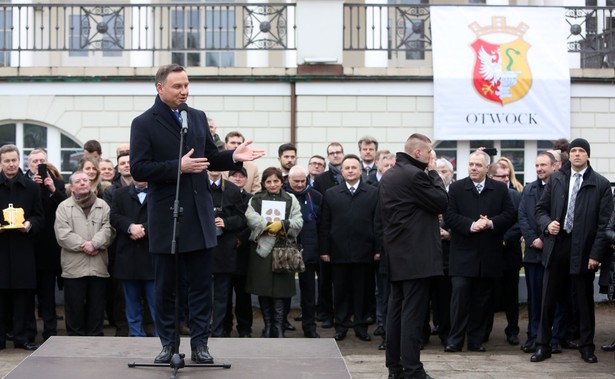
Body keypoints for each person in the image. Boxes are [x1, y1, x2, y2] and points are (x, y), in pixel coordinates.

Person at [129, 64, 264, 364]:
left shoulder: (198, 117)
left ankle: (201, 344)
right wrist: (178, 166)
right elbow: (139, 168)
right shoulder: (143, 123)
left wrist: (232, 157)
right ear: (159, 88)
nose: (184, 91)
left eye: (187, 85)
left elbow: (210, 158)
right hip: (167, 218)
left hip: (200, 217)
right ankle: (168, 344)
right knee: (166, 287)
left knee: (202, 286)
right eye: (177, 86)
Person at [532, 138, 613, 364]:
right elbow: (540, 209)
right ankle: (542, 346)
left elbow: (604, 225)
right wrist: (547, 224)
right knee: (548, 298)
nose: (577, 154)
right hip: (558, 244)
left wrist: (595, 254)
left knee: (584, 302)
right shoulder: (557, 178)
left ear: (588, 155)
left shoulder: (601, 184)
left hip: (584, 248)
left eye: (581, 151)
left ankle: (587, 347)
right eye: (574, 151)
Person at [379, 134, 448, 379]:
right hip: (417, 256)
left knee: (396, 311)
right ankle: (412, 369)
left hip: (397, 255)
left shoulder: (390, 175)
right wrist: (434, 173)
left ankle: (395, 368)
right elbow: (441, 202)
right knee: (412, 315)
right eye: (429, 152)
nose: (432, 157)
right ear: (418, 153)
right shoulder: (416, 175)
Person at [443, 150, 516, 353]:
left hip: (488, 255)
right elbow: (449, 215)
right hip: (462, 254)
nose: (473, 168)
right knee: (459, 299)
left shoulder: (500, 189)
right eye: (470, 164)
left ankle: (475, 340)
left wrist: (491, 223)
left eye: (478, 165)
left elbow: (510, 214)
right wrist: (471, 225)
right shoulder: (457, 188)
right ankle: (455, 340)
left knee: (482, 301)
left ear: (486, 168)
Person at [319, 154, 379, 343]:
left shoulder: (372, 193)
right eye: (347, 168)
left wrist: (378, 249)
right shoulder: (331, 193)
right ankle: (341, 326)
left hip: (365, 252)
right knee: (341, 292)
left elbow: (378, 223)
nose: (351, 171)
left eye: (354, 167)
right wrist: (325, 250)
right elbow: (325, 224)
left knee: (362, 292)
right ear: (341, 171)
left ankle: (361, 327)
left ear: (361, 170)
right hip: (338, 252)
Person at [54, 171, 115, 337]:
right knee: (74, 307)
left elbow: (109, 229)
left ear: (91, 183)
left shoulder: (103, 206)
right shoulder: (63, 207)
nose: (82, 183)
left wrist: (94, 244)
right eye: (78, 181)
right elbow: (62, 234)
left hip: (98, 265)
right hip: (74, 267)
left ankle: (95, 341)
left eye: (85, 180)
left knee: (96, 307)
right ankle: (75, 340)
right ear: (71, 187)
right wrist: (84, 245)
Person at [244, 167, 303, 338]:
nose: (272, 184)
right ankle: (268, 325)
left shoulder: (290, 199)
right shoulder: (256, 199)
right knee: (263, 288)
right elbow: (250, 217)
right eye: (268, 181)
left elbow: (298, 221)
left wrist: (283, 224)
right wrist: (267, 225)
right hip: (262, 250)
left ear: (281, 182)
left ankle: (278, 326)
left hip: (284, 250)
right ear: (263, 183)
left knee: (281, 290)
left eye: (276, 181)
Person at [518, 151, 567, 354]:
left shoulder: (562, 188)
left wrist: (546, 239)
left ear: (554, 166)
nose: (539, 169)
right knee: (535, 299)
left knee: (556, 298)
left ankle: (555, 338)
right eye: (537, 165)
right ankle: (534, 336)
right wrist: (533, 239)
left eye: (543, 165)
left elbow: (562, 219)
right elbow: (522, 216)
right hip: (533, 254)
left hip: (554, 252)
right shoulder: (529, 189)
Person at [0, 144, 44, 351]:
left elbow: (39, 216)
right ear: (1, 163)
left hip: (23, 249)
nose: (10, 164)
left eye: (13, 160)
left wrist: (30, 224)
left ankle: (23, 337)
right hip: (0, 249)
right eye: (6, 160)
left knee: (24, 297)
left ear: (19, 161)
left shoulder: (32, 187)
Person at [25, 148, 67, 342]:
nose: (38, 163)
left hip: (49, 246)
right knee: (27, 294)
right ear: (28, 164)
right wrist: (32, 189)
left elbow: (65, 208)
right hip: (27, 244)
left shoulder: (57, 183)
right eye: (35, 161)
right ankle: (28, 333)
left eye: (42, 160)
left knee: (48, 293)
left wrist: (52, 189)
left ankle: (50, 331)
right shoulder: (24, 184)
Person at [110, 179, 156, 337]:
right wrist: (130, 227)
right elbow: (114, 217)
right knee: (131, 301)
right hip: (128, 256)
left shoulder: (158, 192)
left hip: (152, 256)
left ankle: (161, 336)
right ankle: (137, 335)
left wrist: (145, 228)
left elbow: (166, 215)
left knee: (156, 301)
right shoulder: (119, 194)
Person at [284, 165, 322, 338]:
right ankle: (281, 324)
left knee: (308, 293)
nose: (299, 185)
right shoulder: (282, 197)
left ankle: (310, 327)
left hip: (309, 250)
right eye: (296, 181)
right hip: (286, 250)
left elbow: (322, 224)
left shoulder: (315, 196)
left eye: (302, 181)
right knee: (284, 290)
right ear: (288, 180)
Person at [207, 170, 246, 338]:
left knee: (222, 296)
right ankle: (201, 329)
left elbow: (242, 218)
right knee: (201, 294)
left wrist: (226, 222)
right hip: (202, 249)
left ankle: (217, 330)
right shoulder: (196, 186)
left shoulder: (232, 189)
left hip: (224, 250)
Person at [487, 162, 523, 346]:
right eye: (501, 176)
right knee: (488, 294)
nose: (506, 179)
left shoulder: (516, 196)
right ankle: (484, 330)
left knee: (511, 296)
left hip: (510, 253)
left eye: (507, 176)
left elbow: (521, 222)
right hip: (488, 253)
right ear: (491, 177)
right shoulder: (486, 196)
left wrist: (505, 238)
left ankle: (512, 331)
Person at [313, 142, 345, 329]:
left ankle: (344, 313)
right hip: (327, 234)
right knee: (326, 279)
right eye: (331, 153)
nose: (335, 156)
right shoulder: (321, 179)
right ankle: (326, 313)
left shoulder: (352, 174)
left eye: (338, 152)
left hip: (347, 236)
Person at [223, 167, 254, 338]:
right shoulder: (223, 194)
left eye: (241, 176)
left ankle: (244, 327)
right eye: (234, 176)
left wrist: (241, 238)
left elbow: (251, 223)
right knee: (224, 292)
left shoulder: (251, 199)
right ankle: (225, 325)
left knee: (243, 293)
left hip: (243, 251)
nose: (237, 179)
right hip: (225, 251)